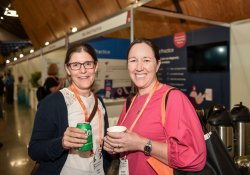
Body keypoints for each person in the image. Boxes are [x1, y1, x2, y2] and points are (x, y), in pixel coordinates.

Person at [103, 38, 206, 175]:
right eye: (133, 60)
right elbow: (126, 146)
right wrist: (113, 148)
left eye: (146, 60)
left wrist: (141, 144)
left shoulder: (173, 98)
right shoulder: (130, 102)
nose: (139, 67)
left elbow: (195, 158)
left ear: (157, 65)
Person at [28, 43, 111, 175]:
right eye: (75, 65)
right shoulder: (52, 103)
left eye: (88, 64)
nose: (83, 70)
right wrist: (61, 143)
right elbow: (34, 150)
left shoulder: (99, 102)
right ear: (68, 69)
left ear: (96, 66)